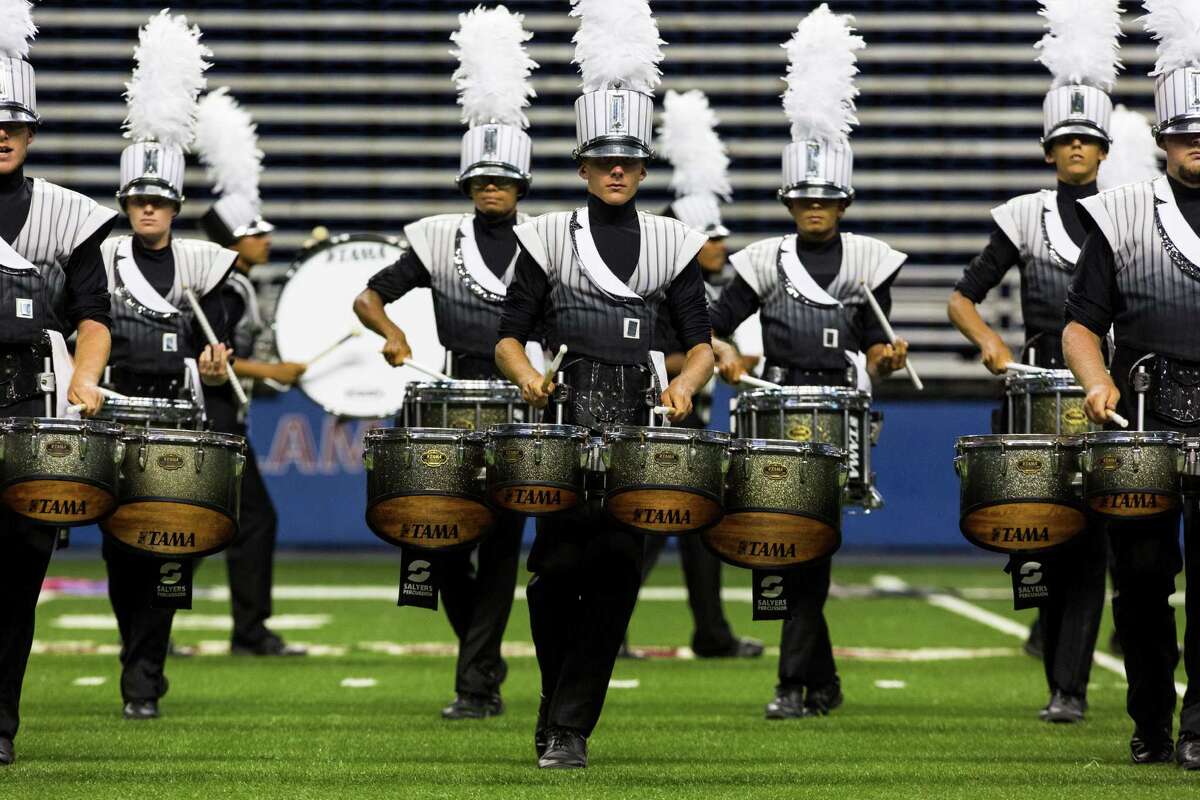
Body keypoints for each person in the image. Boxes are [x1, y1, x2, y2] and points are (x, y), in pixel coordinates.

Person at [494, 0, 714, 768]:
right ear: (584, 167)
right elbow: (509, 336)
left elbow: (701, 348)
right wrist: (525, 375)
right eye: (603, 161)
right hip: (559, 427)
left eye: (629, 162)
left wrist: (684, 387)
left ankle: (570, 729)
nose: (617, 171)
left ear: (642, 169)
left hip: (640, 432)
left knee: (618, 575)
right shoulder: (548, 234)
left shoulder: (672, 243)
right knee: (552, 580)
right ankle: (557, 711)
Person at [708, 4, 908, 721]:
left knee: (811, 545)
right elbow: (708, 327)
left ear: (844, 200)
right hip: (776, 407)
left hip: (840, 413)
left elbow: (878, 348)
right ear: (790, 200)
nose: (814, 206)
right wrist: (728, 356)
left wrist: (886, 358)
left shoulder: (867, 260)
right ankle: (811, 682)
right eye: (804, 196)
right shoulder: (763, 259)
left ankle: (799, 682)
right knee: (787, 544)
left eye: (826, 197)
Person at [352, 5, 539, 720]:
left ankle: (475, 686)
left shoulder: (549, 243)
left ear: (520, 187)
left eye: (502, 182)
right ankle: (483, 664)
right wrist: (392, 333)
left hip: (520, 403)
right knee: (437, 539)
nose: (492, 191)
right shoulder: (436, 240)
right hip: (448, 401)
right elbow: (369, 298)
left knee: (499, 549)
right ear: (468, 186)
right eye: (481, 182)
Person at [946, 0, 1123, 724]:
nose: (1076, 149)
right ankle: (1056, 664)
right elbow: (963, 298)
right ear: (1048, 151)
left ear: (1104, 150)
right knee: (1035, 539)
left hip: (1105, 394)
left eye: (1087, 139)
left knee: (1091, 543)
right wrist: (988, 343)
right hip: (1033, 395)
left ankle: (1068, 690)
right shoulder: (1022, 214)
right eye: (1064, 140)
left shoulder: (1131, 211)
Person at [1063, 1, 1200, 769]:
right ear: (1161, 138)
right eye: (1184, 133)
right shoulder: (1119, 215)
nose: (1196, 145)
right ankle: (1151, 716)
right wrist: (1093, 384)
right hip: (1141, 419)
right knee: (1143, 584)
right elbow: (1083, 324)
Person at [99, 11, 234, 721]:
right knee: (124, 552)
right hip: (118, 416)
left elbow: (227, 337)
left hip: (181, 421)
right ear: (125, 204)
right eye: (138, 200)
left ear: (176, 208)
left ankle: (146, 672)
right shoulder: (98, 257)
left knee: (172, 546)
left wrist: (216, 368)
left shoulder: (205, 266)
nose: (147, 208)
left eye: (159, 200)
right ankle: (137, 658)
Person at [0, 8, 117, 765]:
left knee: (15, 580)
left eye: (12, 124)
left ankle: (0, 725)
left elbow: (95, 319)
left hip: (26, 406)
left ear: (31, 132)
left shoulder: (68, 214)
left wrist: (82, 377)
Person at [635, 88, 761, 661]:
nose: (722, 244)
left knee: (698, 530)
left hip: (696, 422)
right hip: (659, 421)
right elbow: (653, 359)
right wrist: (708, 355)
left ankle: (711, 631)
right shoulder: (658, 287)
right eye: (710, 237)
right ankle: (607, 630)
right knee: (646, 532)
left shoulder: (705, 288)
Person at [195, 87, 308, 657]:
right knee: (249, 522)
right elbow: (217, 356)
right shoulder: (229, 282)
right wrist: (276, 369)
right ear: (237, 242)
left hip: (218, 418)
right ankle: (250, 630)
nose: (267, 239)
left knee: (192, 521)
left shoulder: (233, 280)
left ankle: (166, 626)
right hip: (212, 420)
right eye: (257, 232)